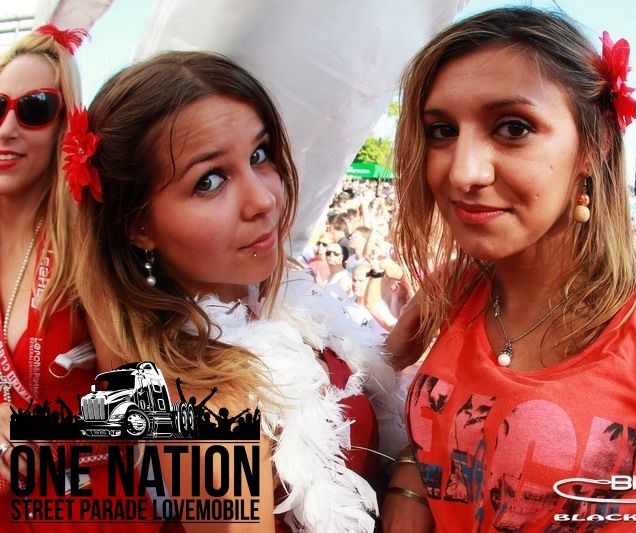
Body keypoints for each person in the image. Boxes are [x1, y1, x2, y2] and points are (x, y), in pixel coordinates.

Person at [383, 7, 636, 532]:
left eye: (513, 128)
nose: (462, 172)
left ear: (592, 145)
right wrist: (408, 483)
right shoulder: (451, 291)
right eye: (442, 131)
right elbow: (432, 437)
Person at [74, 51, 400, 532]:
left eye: (260, 155)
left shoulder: (277, 302)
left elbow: (360, 398)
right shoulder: (203, 407)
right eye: (209, 181)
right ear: (138, 225)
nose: (263, 199)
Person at [0, 25, 136, 530]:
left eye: (34, 109)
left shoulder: (85, 248)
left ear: (66, 129)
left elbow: (136, 413)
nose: (6, 128)